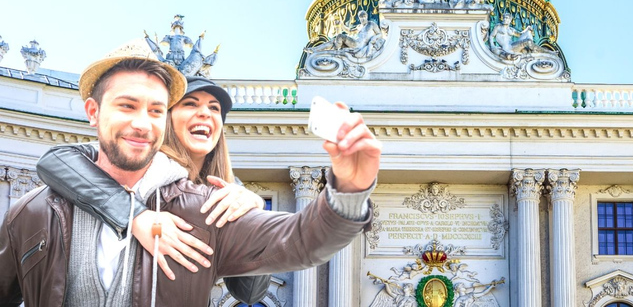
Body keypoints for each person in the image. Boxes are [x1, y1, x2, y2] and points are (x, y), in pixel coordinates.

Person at [0, 45, 381, 306]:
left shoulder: (209, 207)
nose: (141, 122)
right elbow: (55, 159)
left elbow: (296, 244)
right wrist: (135, 215)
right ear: (93, 112)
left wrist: (349, 189)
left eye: (153, 109)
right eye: (127, 106)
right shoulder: (34, 210)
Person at [35, 75, 272, 304]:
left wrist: (256, 218)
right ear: (166, 118)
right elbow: (55, 159)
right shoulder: (135, 159)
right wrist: (136, 215)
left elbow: (249, 293)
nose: (204, 113)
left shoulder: (229, 191)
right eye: (190, 104)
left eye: (214, 108)